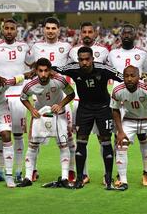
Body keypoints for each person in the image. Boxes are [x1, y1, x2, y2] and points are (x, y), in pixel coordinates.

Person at [53, 46, 123, 189]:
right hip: (84, 110)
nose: (84, 62)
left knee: (106, 142)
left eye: (87, 59)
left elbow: (124, 77)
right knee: (81, 142)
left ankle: (108, 179)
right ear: (78, 60)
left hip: (104, 109)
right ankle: (79, 179)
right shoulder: (73, 68)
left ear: (92, 59)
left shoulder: (104, 69)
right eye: (81, 60)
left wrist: (142, 80)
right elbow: (53, 68)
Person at [25, 17, 76, 182]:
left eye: (54, 28)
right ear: (43, 30)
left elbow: (73, 66)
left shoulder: (67, 47)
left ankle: (70, 171)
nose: (50, 31)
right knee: (35, 138)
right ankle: (32, 170)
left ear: (59, 30)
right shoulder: (37, 47)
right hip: (40, 101)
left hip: (60, 98)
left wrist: (58, 74)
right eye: (48, 28)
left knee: (68, 138)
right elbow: (32, 67)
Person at [108, 23, 147, 186]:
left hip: (138, 100)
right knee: (118, 138)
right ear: (120, 36)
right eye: (124, 33)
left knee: (143, 136)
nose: (127, 35)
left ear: (135, 35)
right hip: (117, 99)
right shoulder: (112, 54)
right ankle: (119, 176)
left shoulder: (142, 54)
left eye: (130, 32)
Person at [17, 58, 75, 188]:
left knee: (63, 145)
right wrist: (31, 109)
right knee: (32, 146)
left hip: (58, 115)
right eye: (40, 71)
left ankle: (65, 177)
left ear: (50, 71)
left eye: (46, 71)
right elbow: (23, 98)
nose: (43, 74)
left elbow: (71, 94)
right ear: (36, 71)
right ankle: (27, 177)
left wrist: (60, 104)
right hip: (40, 115)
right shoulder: (30, 85)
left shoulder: (59, 80)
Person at [111, 66, 147, 192]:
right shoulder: (117, 90)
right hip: (130, 119)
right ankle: (123, 181)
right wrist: (120, 131)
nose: (129, 79)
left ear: (139, 77)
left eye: (133, 76)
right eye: (126, 76)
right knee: (121, 145)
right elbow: (115, 110)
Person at [0, 19, 30, 183]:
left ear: (16, 31)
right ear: (2, 30)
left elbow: (33, 66)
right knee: (2, 135)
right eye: (7, 28)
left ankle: (18, 171)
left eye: (12, 28)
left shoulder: (25, 47)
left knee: (18, 135)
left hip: (19, 95)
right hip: (1, 96)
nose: (9, 31)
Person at [68, 21, 109, 184]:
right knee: (81, 140)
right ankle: (83, 174)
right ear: (80, 33)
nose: (87, 34)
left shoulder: (104, 51)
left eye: (90, 32)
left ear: (95, 34)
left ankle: (107, 174)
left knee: (102, 138)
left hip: (99, 103)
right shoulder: (72, 52)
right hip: (80, 102)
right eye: (84, 32)